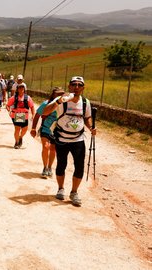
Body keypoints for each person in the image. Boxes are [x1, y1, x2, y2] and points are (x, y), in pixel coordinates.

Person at [41, 76, 97, 206]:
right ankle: (60, 189)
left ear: (83, 88)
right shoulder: (62, 100)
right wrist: (58, 101)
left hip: (78, 139)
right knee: (61, 164)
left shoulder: (85, 102)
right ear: (69, 86)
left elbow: (87, 117)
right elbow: (45, 112)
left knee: (79, 167)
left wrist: (91, 127)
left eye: (79, 85)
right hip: (62, 138)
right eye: (74, 84)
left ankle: (74, 192)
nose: (76, 87)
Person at [30, 87, 65, 178]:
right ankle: (45, 167)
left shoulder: (65, 105)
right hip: (45, 128)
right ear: (53, 94)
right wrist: (33, 128)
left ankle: (50, 167)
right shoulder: (46, 104)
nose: (60, 96)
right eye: (58, 94)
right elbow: (37, 116)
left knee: (53, 149)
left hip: (57, 130)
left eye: (61, 94)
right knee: (45, 147)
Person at [6, 83, 35, 149]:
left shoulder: (28, 98)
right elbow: (8, 105)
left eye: (22, 88)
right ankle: (17, 142)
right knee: (17, 128)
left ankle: (20, 137)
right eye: (20, 88)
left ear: (24, 89)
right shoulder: (14, 98)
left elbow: (32, 107)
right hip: (16, 115)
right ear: (17, 89)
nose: (21, 89)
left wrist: (33, 114)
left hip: (25, 115)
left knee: (25, 129)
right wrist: (9, 110)